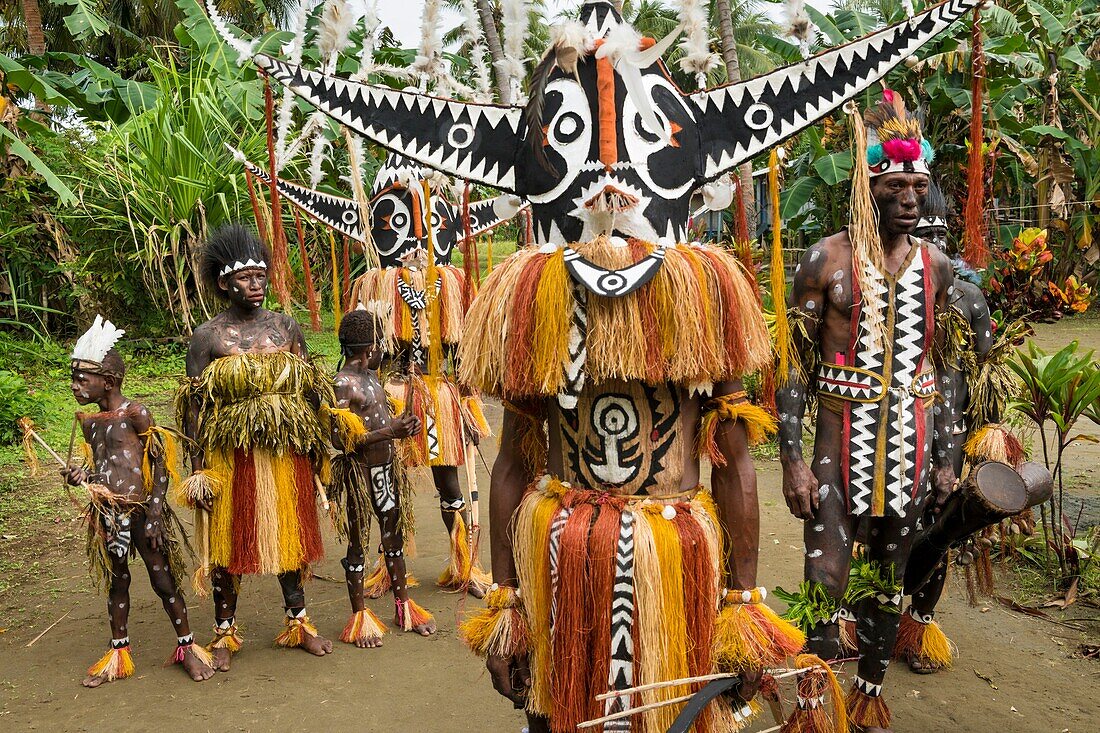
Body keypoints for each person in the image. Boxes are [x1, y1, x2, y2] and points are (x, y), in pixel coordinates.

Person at [776, 92, 955, 732]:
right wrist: (794, 463)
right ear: (866, 183)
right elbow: (793, 373)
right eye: (895, 184)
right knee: (824, 576)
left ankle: (870, 693)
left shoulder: (936, 268)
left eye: (919, 185)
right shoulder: (824, 261)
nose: (910, 198)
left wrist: (946, 463)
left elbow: (946, 371)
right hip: (835, 446)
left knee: (888, 575)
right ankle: (813, 704)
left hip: (909, 446)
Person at [176, 223, 334, 669]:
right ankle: (224, 632)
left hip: (286, 452)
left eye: (261, 277)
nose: (256, 285)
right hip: (232, 455)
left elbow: (310, 390)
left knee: (292, 534)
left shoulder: (285, 327)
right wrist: (199, 468)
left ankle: (298, 621)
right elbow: (194, 407)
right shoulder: (208, 337)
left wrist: (322, 446)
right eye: (246, 279)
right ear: (225, 283)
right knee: (231, 538)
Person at [66, 316, 214, 686]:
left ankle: (188, 648)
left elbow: (160, 464)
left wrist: (154, 516)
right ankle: (118, 654)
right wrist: (82, 477)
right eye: (75, 378)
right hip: (109, 514)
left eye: (83, 379)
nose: (75, 386)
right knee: (117, 583)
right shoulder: (90, 423)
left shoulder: (136, 414)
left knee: (163, 580)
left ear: (109, 381)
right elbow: (100, 466)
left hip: (139, 513)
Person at [327, 305, 436, 646]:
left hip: (385, 471)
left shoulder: (372, 377)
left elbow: (383, 423)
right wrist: (390, 431)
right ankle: (360, 618)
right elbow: (339, 440)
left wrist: (405, 428)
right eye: (380, 344)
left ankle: (404, 607)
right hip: (359, 474)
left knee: (393, 538)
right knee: (358, 543)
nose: (384, 350)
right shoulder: (343, 384)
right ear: (369, 348)